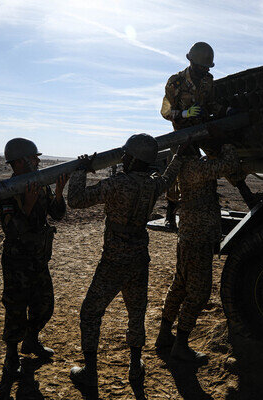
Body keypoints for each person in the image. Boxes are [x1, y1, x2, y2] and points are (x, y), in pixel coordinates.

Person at [67, 134, 185, 396]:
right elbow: (167, 179)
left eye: (125, 155)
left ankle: (90, 372)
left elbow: (75, 200)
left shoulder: (116, 184)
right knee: (136, 314)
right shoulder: (152, 186)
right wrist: (179, 156)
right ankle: (135, 366)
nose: (123, 159)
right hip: (139, 261)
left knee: (90, 313)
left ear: (132, 158)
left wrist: (80, 170)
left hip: (113, 262)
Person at [160, 42, 263, 229]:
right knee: (178, 171)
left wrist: (227, 111)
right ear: (191, 62)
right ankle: (170, 213)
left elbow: (211, 105)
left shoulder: (207, 80)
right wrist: (184, 114)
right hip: (183, 134)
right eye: (201, 67)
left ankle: (249, 198)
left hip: (202, 129)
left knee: (224, 160)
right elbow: (165, 111)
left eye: (206, 67)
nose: (204, 70)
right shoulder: (175, 82)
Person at [155, 142, 240, 362]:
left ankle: (165, 334)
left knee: (180, 284)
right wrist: (223, 141)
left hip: (189, 236)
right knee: (199, 293)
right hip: (198, 238)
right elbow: (229, 165)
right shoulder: (197, 167)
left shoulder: (186, 165)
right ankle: (181, 344)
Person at [0, 138, 68, 379]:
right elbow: (13, 230)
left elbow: (57, 214)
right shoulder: (6, 191)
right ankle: (12, 355)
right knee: (15, 308)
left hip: (38, 258)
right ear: (19, 161)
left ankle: (31, 342)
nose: (38, 161)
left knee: (44, 305)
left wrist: (58, 192)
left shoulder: (40, 185)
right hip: (17, 261)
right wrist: (27, 204)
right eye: (33, 157)